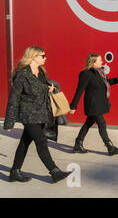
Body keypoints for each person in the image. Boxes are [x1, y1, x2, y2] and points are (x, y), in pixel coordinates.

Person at [3, 46, 71, 183]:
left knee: (25, 142)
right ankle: (54, 171)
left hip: (41, 114)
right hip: (28, 115)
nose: (45, 58)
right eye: (43, 56)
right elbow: (14, 98)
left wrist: (49, 88)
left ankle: (15, 171)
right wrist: (9, 122)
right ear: (33, 57)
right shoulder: (22, 75)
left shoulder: (40, 72)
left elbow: (42, 89)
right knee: (41, 140)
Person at [70, 53, 118, 155]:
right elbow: (79, 90)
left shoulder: (100, 72)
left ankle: (78, 144)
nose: (102, 62)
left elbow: (105, 83)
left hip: (99, 103)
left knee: (88, 123)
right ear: (93, 63)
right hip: (93, 104)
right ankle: (110, 147)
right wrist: (73, 106)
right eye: (100, 60)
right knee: (102, 123)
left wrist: (116, 80)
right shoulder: (85, 74)